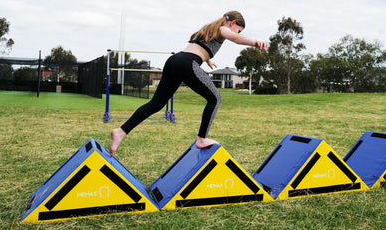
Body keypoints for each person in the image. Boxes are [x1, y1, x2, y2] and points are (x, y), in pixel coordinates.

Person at [109, 11, 268, 156]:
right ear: (232, 23)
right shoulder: (223, 29)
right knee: (215, 98)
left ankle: (121, 132)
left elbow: (200, 47)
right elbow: (233, 37)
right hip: (187, 63)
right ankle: (202, 139)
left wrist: (207, 59)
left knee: (156, 104)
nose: (238, 33)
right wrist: (255, 42)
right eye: (239, 30)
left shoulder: (208, 29)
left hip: (174, 61)